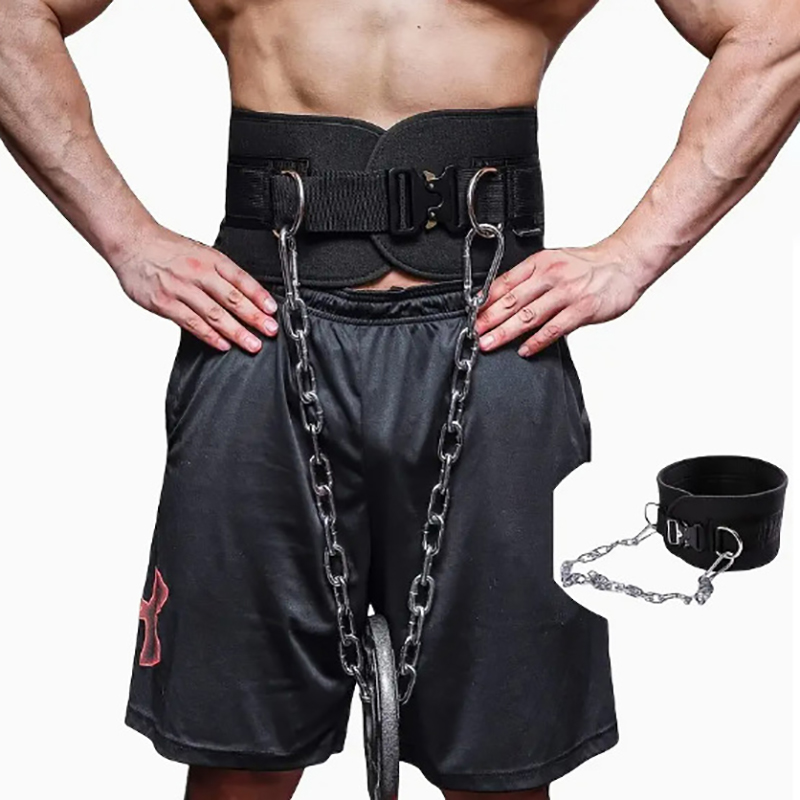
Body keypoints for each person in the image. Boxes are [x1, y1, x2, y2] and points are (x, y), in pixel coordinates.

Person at [0, 2, 798, 799]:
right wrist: (128, 239)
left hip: (494, 337)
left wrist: (632, 256)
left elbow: (777, 34)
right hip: (262, 327)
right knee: (240, 764)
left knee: (501, 769)